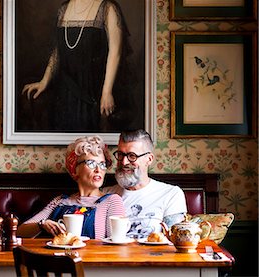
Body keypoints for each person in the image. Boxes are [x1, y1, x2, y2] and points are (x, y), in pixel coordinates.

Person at [21, 0, 135, 132]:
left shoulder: (107, 8)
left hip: (94, 87)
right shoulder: (64, 9)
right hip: (66, 86)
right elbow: (58, 50)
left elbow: (115, 52)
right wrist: (44, 81)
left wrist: (107, 92)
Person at [17, 135, 125, 240]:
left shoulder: (112, 201)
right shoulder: (60, 201)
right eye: (91, 163)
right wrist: (42, 224)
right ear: (75, 170)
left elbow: (116, 247)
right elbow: (20, 232)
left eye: (102, 164)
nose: (98, 169)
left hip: (91, 258)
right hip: (56, 257)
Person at [103, 129, 187, 239]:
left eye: (132, 156)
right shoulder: (105, 195)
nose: (124, 162)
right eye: (120, 154)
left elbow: (174, 241)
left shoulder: (171, 194)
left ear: (149, 159)